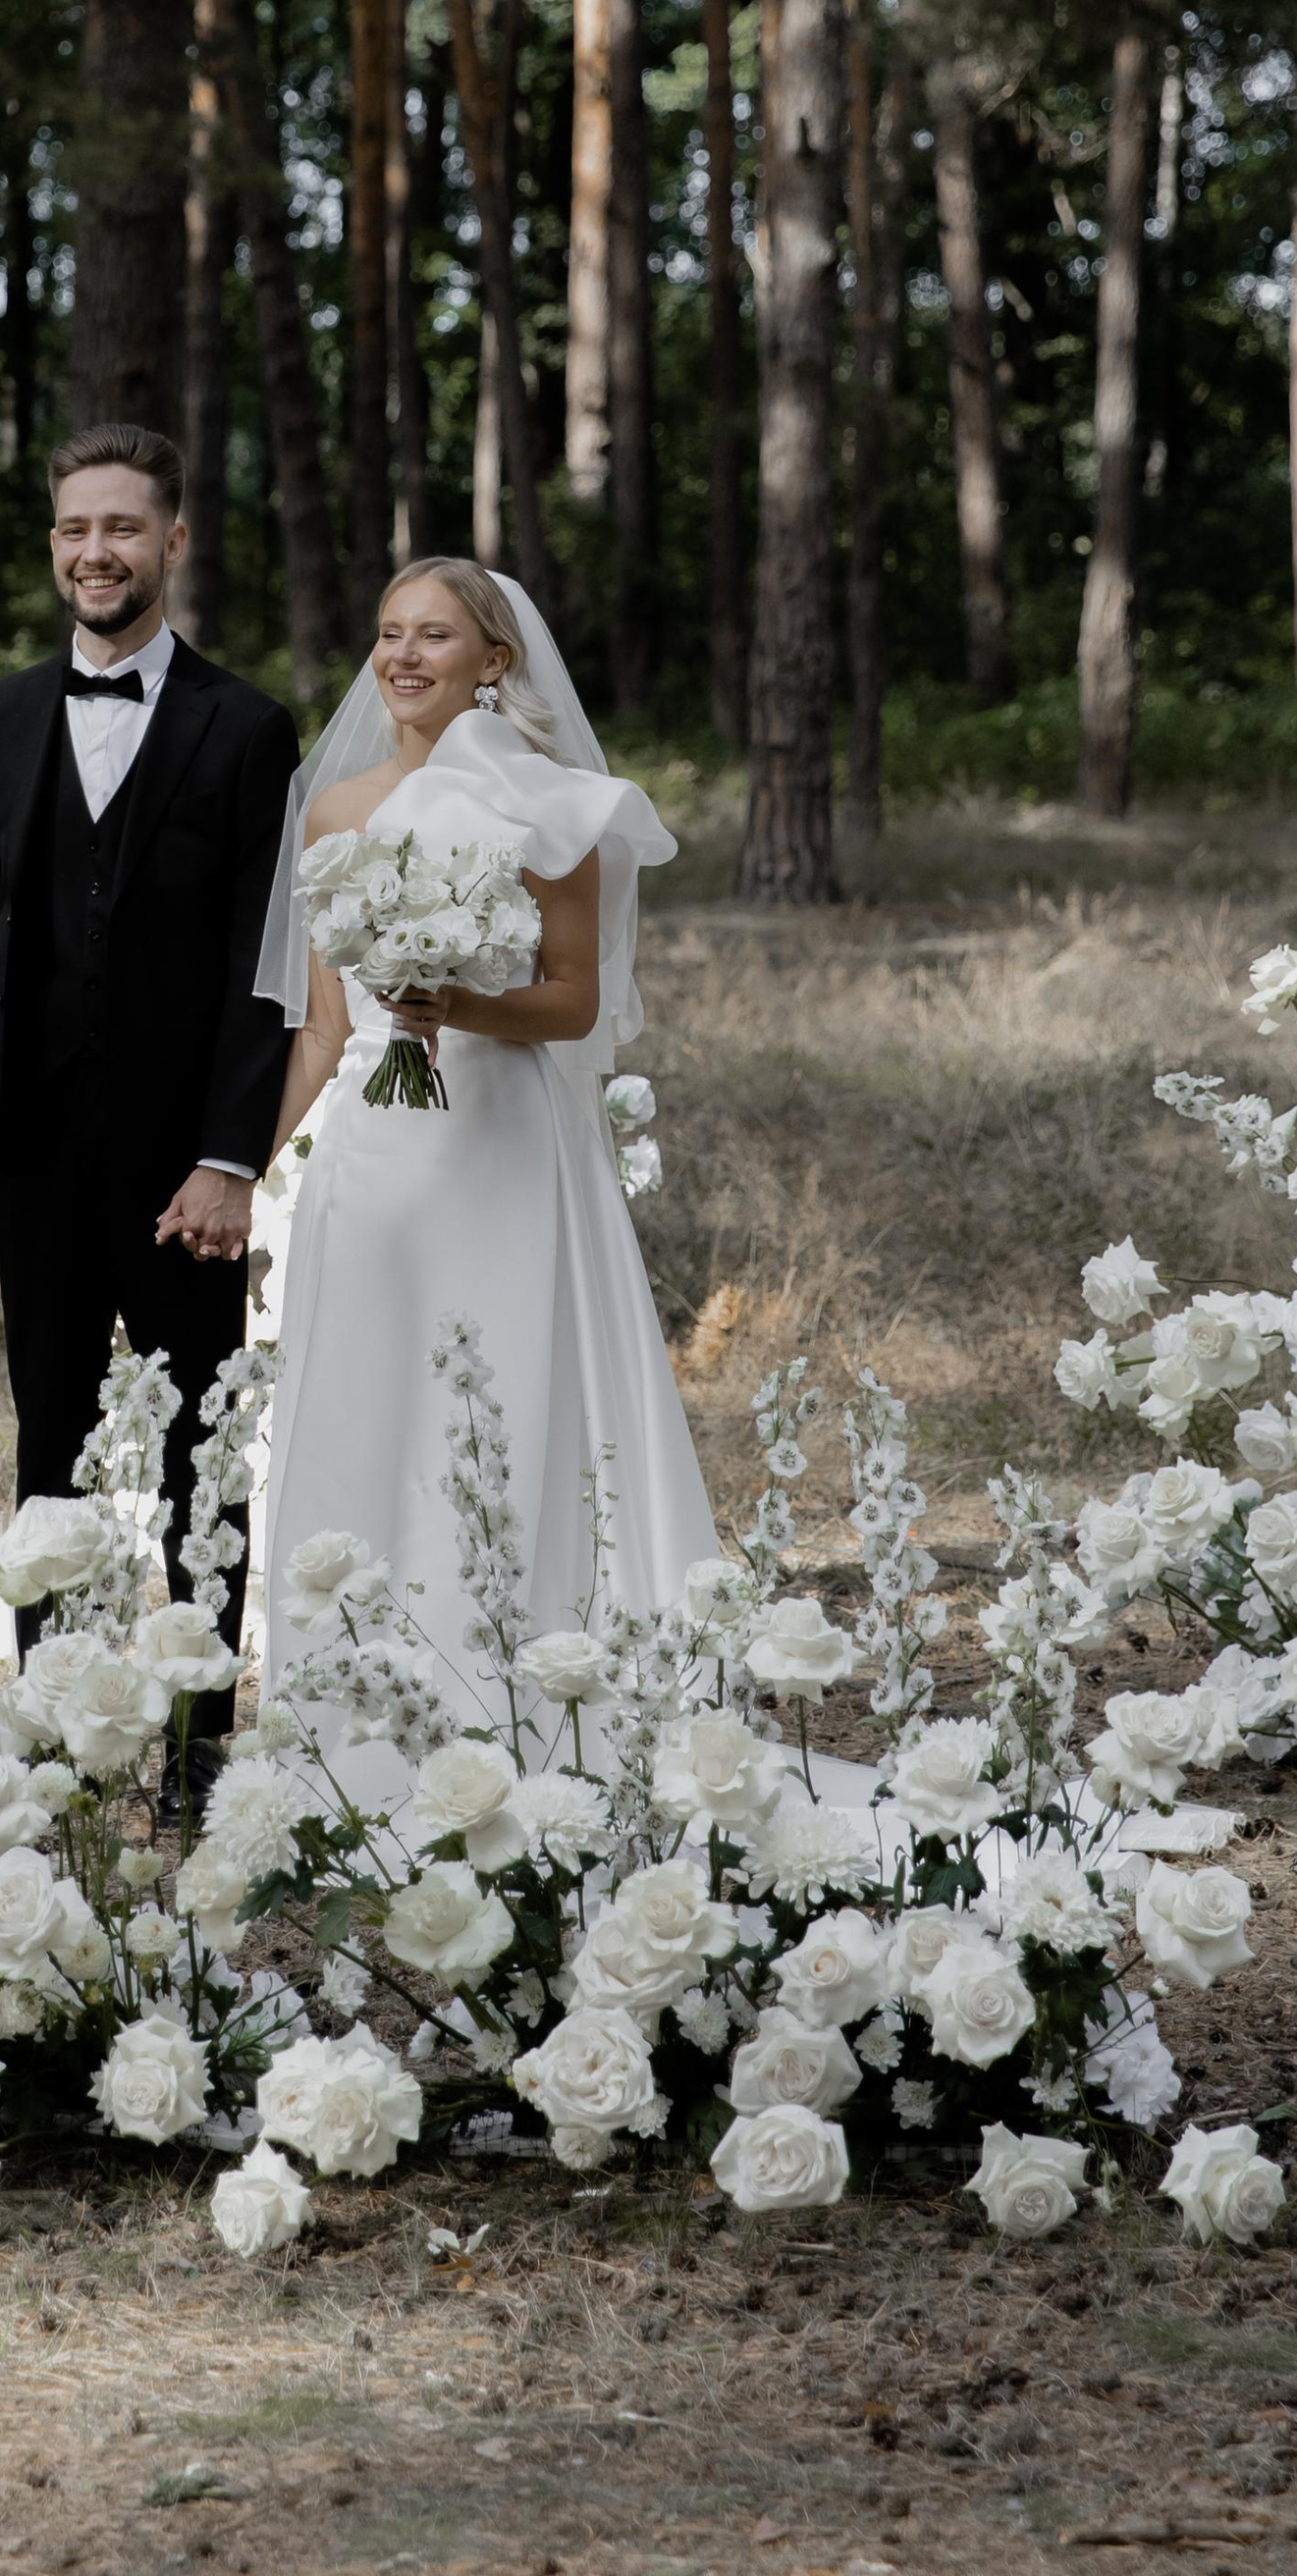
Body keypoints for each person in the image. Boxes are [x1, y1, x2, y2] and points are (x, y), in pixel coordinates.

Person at [256, 558, 719, 1742]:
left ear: (494, 662)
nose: (402, 657)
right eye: (386, 634)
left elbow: (570, 1004)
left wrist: (453, 1005)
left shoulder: (550, 802)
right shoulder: (336, 808)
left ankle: (507, 1689)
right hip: (371, 1151)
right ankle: (353, 1700)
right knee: (364, 1398)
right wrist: (241, 1168)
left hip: (500, 1140)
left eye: (434, 636)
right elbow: (320, 1028)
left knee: (500, 1401)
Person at [0, 424, 299, 1740]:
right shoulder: (9, 711)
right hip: (29, 1150)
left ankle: (202, 1753)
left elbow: (273, 962)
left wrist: (232, 1157)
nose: (99, 551)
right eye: (77, 529)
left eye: (125, 528)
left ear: (173, 543)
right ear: (55, 545)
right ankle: (53, 1734)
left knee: (205, 1451)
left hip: (181, 1167)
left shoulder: (249, 729)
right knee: (52, 1445)